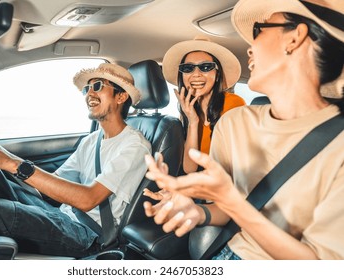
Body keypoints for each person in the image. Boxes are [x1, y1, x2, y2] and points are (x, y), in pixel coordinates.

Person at [143, 0, 344, 260]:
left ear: (294, 38)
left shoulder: (336, 145)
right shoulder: (236, 122)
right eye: (189, 68)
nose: (250, 48)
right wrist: (198, 212)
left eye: (259, 30)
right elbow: (225, 204)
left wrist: (233, 204)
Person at [0, 63, 152, 258]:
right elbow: (51, 183)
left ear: (121, 96)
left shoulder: (135, 146)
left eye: (98, 87)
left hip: (89, 233)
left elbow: (88, 199)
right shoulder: (91, 140)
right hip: (64, 214)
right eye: (87, 88)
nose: (89, 95)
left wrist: (10, 162)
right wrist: (0, 154)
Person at [162, 36, 245, 173]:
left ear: (217, 75)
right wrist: (193, 122)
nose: (196, 74)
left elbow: (235, 164)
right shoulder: (188, 110)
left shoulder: (234, 104)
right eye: (188, 68)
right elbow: (190, 168)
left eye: (206, 67)